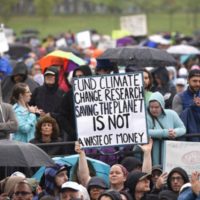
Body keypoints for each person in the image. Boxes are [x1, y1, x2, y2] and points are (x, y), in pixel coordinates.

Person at [147, 91, 186, 165]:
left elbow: (182, 128)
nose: (153, 110)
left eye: (156, 107)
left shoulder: (171, 114)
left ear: (162, 106)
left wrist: (175, 132)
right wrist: (165, 133)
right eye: (151, 107)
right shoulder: (146, 117)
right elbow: (145, 131)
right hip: (152, 152)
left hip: (170, 151)